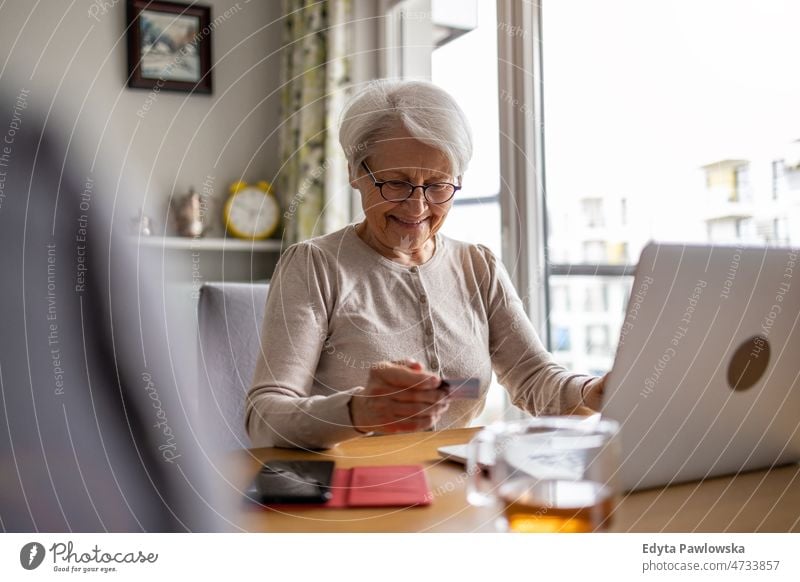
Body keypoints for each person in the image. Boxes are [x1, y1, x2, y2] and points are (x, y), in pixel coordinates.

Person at [246, 79, 604, 449]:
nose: (417, 208)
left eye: (437, 186)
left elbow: (535, 380)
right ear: (356, 171)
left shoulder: (478, 266)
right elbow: (264, 417)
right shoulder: (314, 266)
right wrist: (358, 411)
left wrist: (595, 392)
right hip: (351, 492)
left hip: (458, 489)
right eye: (396, 184)